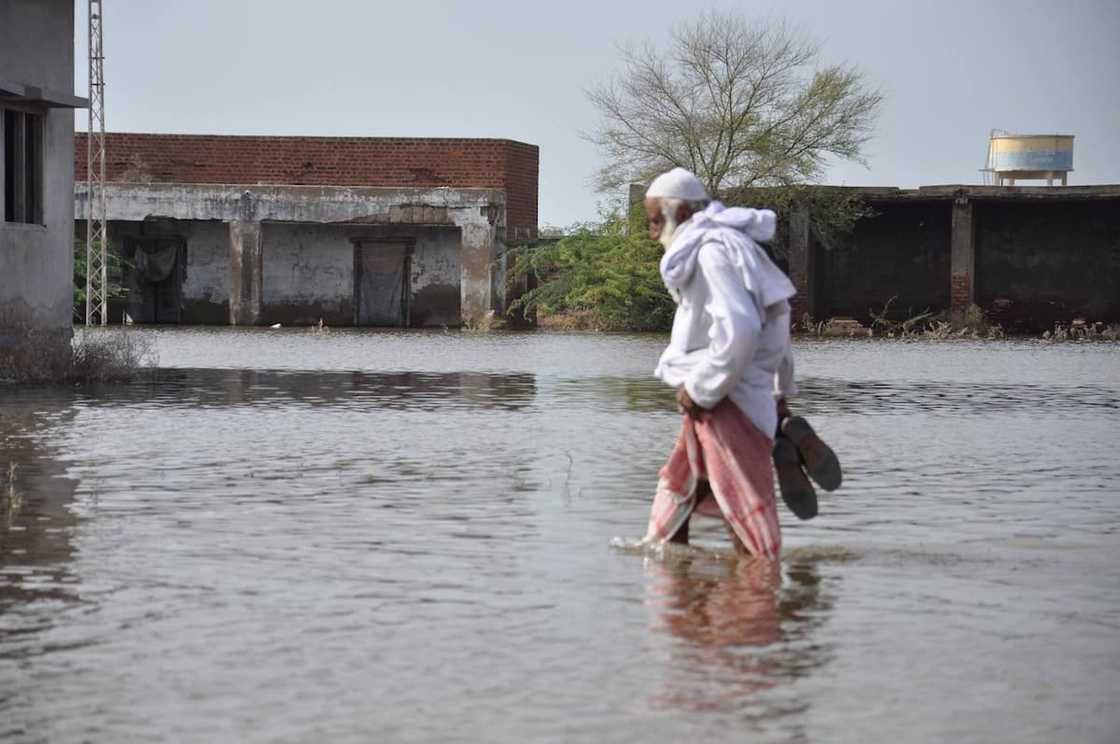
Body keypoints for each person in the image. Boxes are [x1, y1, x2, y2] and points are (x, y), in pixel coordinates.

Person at [640, 167, 839, 560]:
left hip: (724, 398)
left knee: (745, 508)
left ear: (677, 212)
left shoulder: (712, 251)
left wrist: (701, 390)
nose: (651, 234)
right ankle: (675, 595)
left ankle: (758, 600)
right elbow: (777, 319)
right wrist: (780, 393)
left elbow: (742, 328)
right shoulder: (733, 245)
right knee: (680, 490)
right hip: (737, 393)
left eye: (653, 222)